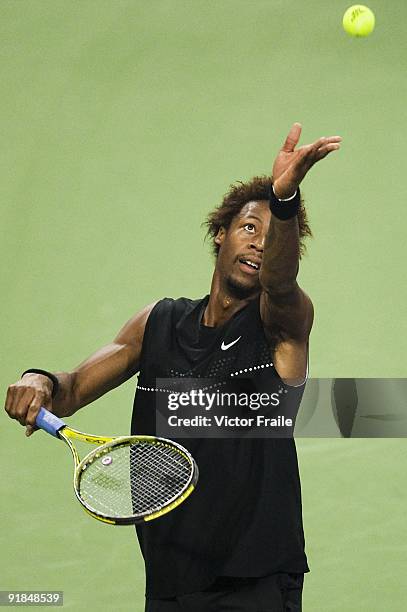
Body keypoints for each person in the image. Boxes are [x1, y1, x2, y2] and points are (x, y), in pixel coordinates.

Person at [5, 123, 341, 611]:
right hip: (171, 581)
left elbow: (283, 284)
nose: (259, 243)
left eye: (272, 237)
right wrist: (39, 380)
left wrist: (284, 200)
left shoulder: (280, 328)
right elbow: (72, 388)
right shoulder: (158, 323)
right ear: (220, 234)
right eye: (250, 227)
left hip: (257, 581)